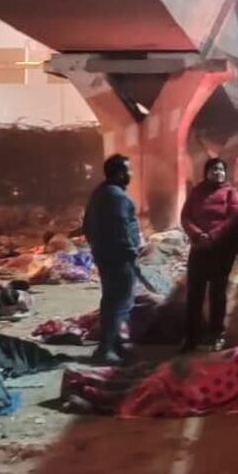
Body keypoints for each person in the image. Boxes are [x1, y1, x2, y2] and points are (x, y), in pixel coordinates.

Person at [179, 157, 238, 351]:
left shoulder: (231, 193)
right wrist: (197, 233)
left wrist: (214, 235)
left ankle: (217, 334)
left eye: (221, 170)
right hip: (199, 249)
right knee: (194, 295)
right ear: (206, 172)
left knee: (217, 294)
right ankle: (191, 337)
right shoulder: (196, 192)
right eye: (214, 169)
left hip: (221, 252)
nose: (218, 173)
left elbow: (234, 219)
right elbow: (185, 216)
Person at [81, 155, 141, 364]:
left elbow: (86, 225)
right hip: (120, 259)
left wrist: (96, 247)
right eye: (128, 170)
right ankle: (106, 349)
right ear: (119, 173)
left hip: (104, 256)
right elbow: (122, 229)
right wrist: (132, 252)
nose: (130, 174)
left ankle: (115, 345)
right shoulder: (118, 198)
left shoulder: (99, 193)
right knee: (120, 303)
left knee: (110, 301)